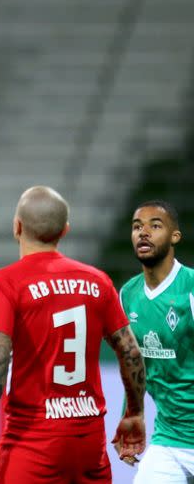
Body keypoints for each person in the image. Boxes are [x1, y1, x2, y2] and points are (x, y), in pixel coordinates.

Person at [0, 186, 146, 483]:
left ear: (17, 226)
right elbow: (130, 351)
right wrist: (135, 412)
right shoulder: (97, 281)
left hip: (33, 438)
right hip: (89, 442)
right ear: (65, 230)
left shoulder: (5, 282)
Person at [119, 200, 194, 483]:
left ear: (175, 236)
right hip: (169, 439)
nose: (144, 233)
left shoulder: (190, 288)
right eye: (137, 227)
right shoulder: (128, 294)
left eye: (155, 225)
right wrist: (131, 416)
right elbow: (132, 361)